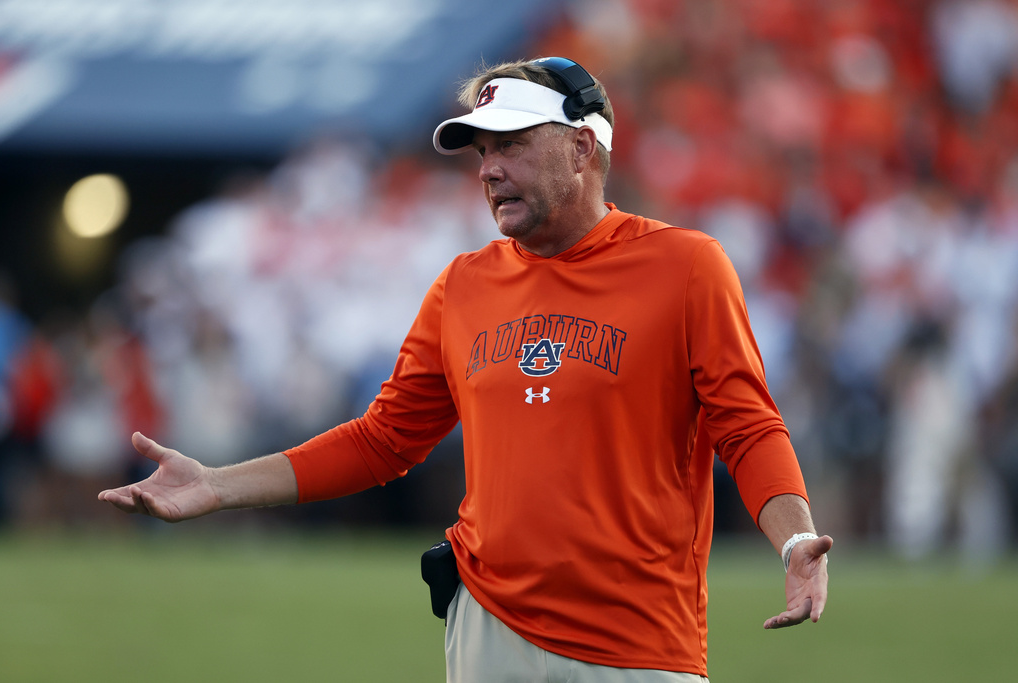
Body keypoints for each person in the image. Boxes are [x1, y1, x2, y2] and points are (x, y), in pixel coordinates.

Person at [99, 56, 832, 682]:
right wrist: (216, 484)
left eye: (510, 144)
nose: (489, 170)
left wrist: (796, 542)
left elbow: (747, 424)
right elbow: (383, 440)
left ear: (583, 148)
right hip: (491, 631)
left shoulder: (687, 266)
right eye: (480, 151)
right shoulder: (463, 284)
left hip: (640, 642)